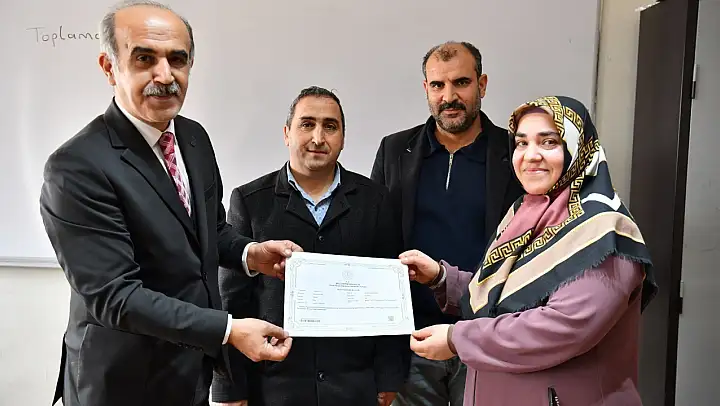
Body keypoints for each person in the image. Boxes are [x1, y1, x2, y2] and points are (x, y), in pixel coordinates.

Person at [39, 2, 301, 405]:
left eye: (177, 59)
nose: (165, 76)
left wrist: (251, 254)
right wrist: (228, 330)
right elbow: (116, 297)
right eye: (144, 59)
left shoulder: (193, 138)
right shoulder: (76, 167)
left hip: (190, 372)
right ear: (109, 67)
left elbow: (208, 230)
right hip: (120, 381)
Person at [401, 95, 658, 405]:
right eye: (522, 143)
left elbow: (562, 327)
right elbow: (506, 294)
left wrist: (457, 339)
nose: (531, 155)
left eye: (549, 142)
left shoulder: (603, 231)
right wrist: (441, 278)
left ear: (578, 149)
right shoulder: (524, 212)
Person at [210, 86, 407, 406]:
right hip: (274, 386)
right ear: (287, 133)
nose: (318, 137)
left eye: (330, 126)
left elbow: (390, 297)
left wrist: (389, 377)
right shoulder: (250, 201)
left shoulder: (375, 200)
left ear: (343, 138)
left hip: (354, 386)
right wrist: (229, 389)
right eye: (307, 124)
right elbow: (232, 301)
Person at [370, 41, 524, 406]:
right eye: (438, 85)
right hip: (412, 341)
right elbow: (374, 243)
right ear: (426, 88)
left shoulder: (516, 153)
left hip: (485, 335)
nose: (449, 96)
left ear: (482, 84)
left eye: (461, 83)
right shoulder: (395, 150)